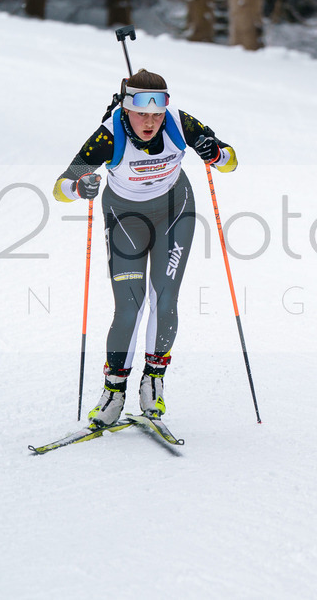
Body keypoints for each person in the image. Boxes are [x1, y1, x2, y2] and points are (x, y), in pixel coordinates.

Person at [53, 69, 237, 427]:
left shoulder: (180, 124)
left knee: (165, 298)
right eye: (142, 114)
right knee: (129, 305)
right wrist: (80, 188)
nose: (151, 123)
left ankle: (153, 380)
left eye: (157, 114)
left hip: (174, 210)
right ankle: (114, 389)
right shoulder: (109, 135)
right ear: (126, 109)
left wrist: (214, 152)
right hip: (125, 217)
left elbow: (230, 163)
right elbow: (61, 185)